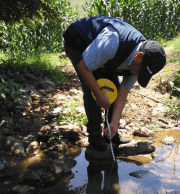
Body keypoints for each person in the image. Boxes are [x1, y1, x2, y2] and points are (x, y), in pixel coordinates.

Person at [63, 16, 166, 151]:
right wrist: (99, 95)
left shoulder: (142, 61)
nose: (137, 75)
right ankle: (94, 137)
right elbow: (84, 67)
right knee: (93, 88)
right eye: (140, 71)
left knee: (113, 87)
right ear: (138, 57)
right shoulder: (112, 43)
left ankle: (111, 134)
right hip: (78, 40)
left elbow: (123, 92)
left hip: (107, 53)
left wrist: (115, 122)